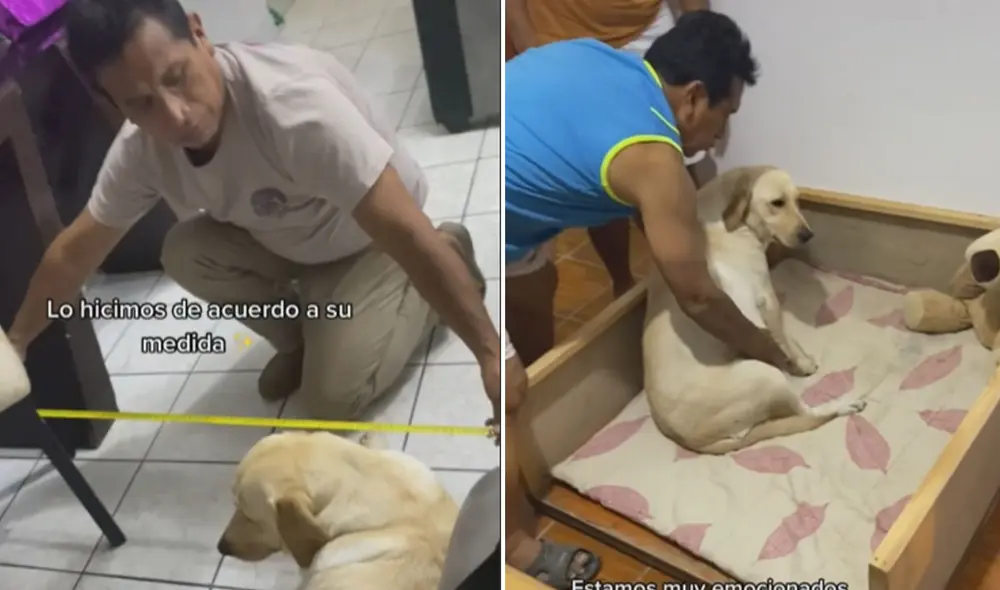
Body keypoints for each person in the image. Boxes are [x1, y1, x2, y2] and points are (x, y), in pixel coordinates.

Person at [6, 0, 501, 427]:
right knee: (184, 250)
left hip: (373, 242)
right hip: (287, 238)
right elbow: (74, 254)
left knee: (332, 400)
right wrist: (18, 342)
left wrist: (491, 354)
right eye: (142, 104)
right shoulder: (142, 151)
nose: (176, 115)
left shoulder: (295, 109)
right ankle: (301, 340)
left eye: (177, 78)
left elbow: (404, 231)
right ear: (110, 102)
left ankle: (448, 254)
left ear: (200, 34)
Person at [504, 12, 802, 586]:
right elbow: (699, 298)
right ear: (693, 98)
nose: (720, 137)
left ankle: (533, 424)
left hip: (508, 191)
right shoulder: (656, 160)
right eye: (724, 117)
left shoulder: (599, 57)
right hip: (488, 232)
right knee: (510, 385)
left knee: (539, 312)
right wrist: (769, 349)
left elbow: (604, 184)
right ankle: (519, 543)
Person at [505, 1, 713, 365]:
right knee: (532, 295)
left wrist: (703, 33)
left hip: (642, 26)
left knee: (666, 182)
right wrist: (535, 53)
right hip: (562, 35)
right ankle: (625, 285)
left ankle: (692, 278)